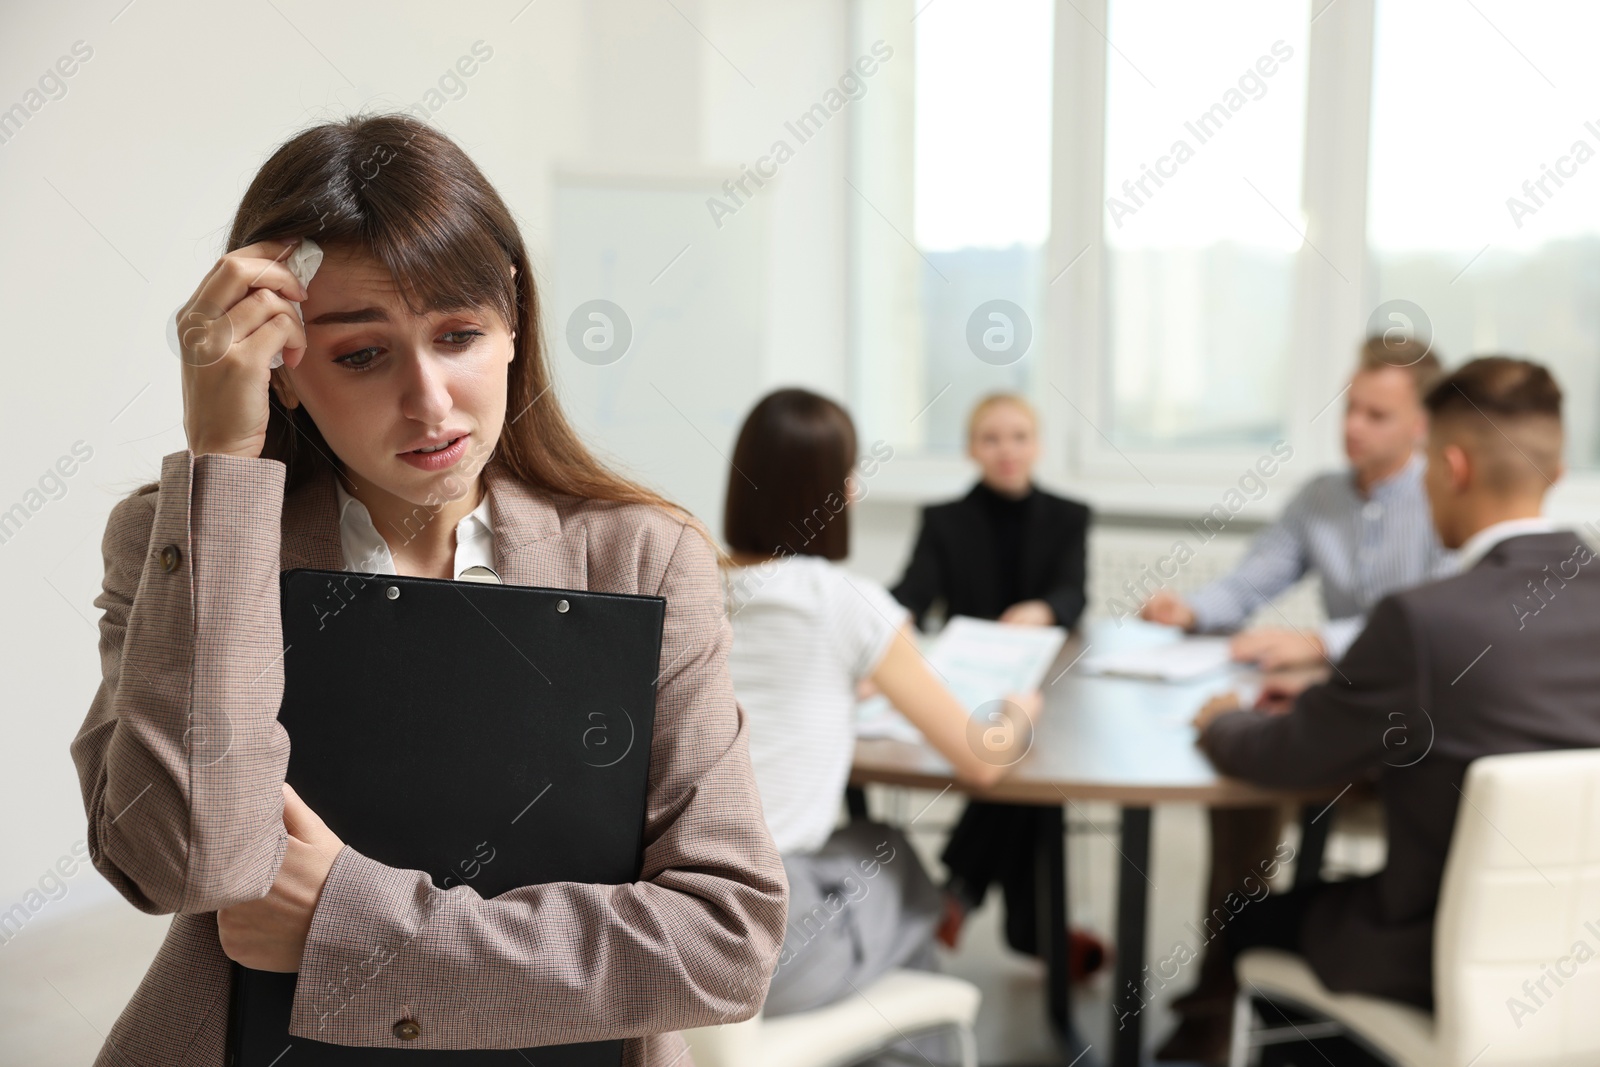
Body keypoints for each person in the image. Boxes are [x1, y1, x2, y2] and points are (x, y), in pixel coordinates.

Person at [67, 114, 787, 1066]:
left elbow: (724, 944)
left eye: (458, 335)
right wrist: (221, 466)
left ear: (513, 329)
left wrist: (352, 926)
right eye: (362, 354)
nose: (432, 400)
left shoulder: (643, 561)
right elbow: (184, 861)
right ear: (283, 370)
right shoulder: (183, 536)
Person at [1193, 356, 1600, 1050]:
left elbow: (1285, 755)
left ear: (1451, 468)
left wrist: (1219, 720)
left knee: (1250, 920)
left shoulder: (1422, 621)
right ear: (1555, 476)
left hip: (1435, 947)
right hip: (1580, 953)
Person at [1148, 336, 1458, 1061]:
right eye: (1351, 409)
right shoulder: (1320, 497)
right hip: (1334, 720)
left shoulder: (1447, 500)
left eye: (1377, 415)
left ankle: (1327, 980)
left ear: (1422, 426)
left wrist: (1323, 643)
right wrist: (1190, 610)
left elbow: (1438, 621)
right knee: (1245, 790)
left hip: (1406, 742)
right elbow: (1255, 580)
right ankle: (1217, 999)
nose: (1354, 427)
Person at [721, 388, 1040, 1021]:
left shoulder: (687, 584)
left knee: (872, 840)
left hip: (669, 918)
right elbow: (982, 760)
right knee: (891, 857)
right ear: (830, 492)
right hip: (769, 939)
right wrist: (1022, 711)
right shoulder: (844, 603)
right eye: (849, 475)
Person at [887, 394, 1101, 969]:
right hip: (970, 684)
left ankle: (960, 892)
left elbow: (1074, 593)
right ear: (971, 449)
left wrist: (1043, 609)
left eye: (1018, 437)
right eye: (991, 438)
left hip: (1046, 684)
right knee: (1020, 762)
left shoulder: (1070, 514)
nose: (1006, 450)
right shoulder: (944, 520)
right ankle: (1035, 931)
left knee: (1025, 756)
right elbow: (911, 593)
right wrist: (880, 625)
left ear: (1038, 444)